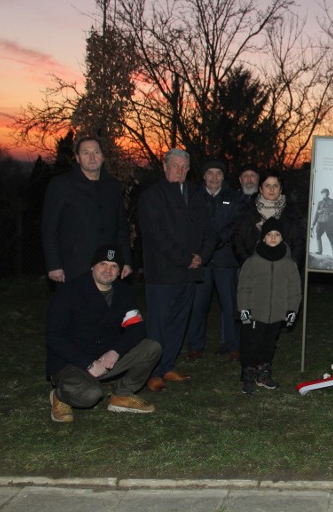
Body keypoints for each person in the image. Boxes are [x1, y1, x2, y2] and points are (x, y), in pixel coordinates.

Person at [46, 245, 161, 422]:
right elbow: (55, 337)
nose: (108, 270)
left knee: (152, 348)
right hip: (72, 361)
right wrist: (88, 364)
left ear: (120, 271)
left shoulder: (124, 293)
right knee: (91, 395)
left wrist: (116, 351)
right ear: (93, 266)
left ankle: (121, 395)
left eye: (113, 266)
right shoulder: (69, 291)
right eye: (103, 264)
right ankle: (60, 396)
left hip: (105, 357)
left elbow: (136, 328)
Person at [138, 148, 213, 392]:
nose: (179, 170)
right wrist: (184, 258)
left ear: (189, 170)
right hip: (163, 273)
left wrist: (203, 255)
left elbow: (209, 228)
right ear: (165, 166)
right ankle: (153, 372)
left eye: (184, 167)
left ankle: (168, 365)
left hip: (189, 273)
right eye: (175, 165)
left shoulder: (195, 194)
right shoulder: (152, 196)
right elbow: (155, 234)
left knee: (179, 322)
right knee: (159, 324)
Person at [42, 136, 133, 284]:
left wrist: (126, 261)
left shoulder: (113, 186)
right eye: (86, 153)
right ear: (78, 158)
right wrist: (54, 265)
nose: (92, 157)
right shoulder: (61, 185)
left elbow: (121, 228)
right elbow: (49, 228)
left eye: (96, 152)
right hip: (74, 267)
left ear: (102, 157)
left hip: (108, 267)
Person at [237, 217, 302, 394]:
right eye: (269, 234)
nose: (273, 238)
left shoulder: (289, 263)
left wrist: (292, 310)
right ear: (263, 238)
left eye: (277, 234)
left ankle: (264, 372)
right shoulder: (252, 261)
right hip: (256, 312)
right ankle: (249, 372)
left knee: (269, 344)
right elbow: (244, 286)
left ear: (282, 238)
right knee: (252, 343)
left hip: (277, 313)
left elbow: (294, 289)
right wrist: (244, 308)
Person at [186, 160, 243, 362]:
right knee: (198, 304)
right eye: (210, 173)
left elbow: (236, 223)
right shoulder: (194, 196)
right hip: (201, 260)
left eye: (218, 173)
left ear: (223, 176)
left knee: (230, 305)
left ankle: (233, 345)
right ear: (203, 176)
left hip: (225, 258)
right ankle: (195, 345)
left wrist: (218, 240)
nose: (214, 177)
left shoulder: (233, 197)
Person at [233, 170, 306, 273]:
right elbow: (238, 241)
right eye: (267, 186)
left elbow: (299, 242)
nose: (271, 189)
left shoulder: (292, 213)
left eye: (275, 186)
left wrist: (292, 265)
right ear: (261, 189)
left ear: (280, 189)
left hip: (283, 271)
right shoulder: (248, 211)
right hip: (254, 272)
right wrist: (248, 264)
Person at [311, 188, 333, 256]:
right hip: (320, 221)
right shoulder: (319, 203)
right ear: (322, 194)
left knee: (331, 237)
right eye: (323, 193)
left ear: (328, 193)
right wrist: (313, 224)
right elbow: (316, 214)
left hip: (329, 222)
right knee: (318, 235)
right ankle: (319, 251)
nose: (325, 194)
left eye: (326, 192)